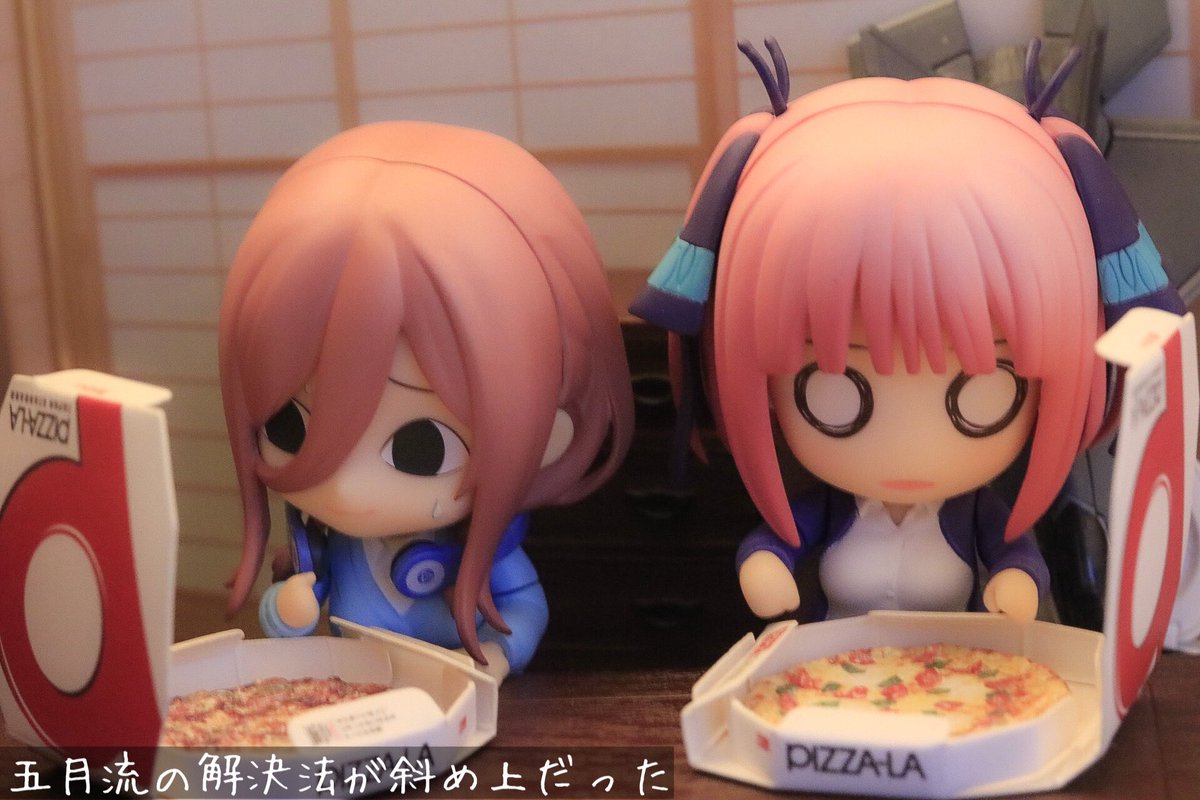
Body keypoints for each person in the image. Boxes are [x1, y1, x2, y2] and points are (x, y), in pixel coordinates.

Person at [631, 39, 1180, 624]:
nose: (909, 447)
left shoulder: (973, 513)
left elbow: (1018, 559)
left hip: (957, 672)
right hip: (835, 664)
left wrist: (1017, 582)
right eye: (835, 393)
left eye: (981, 396)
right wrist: (764, 565)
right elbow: (773, 544)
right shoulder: (832, 509)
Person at [219, 121, 634, 678]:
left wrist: (498, 655)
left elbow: (524, 609)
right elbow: (283, 617)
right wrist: (287, 608)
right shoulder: (325, 546)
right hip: (355, 698)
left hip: (459, 703)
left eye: (423, 447)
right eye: (289, 425)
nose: (345, 486)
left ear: (548, 431)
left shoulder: (481, 547)